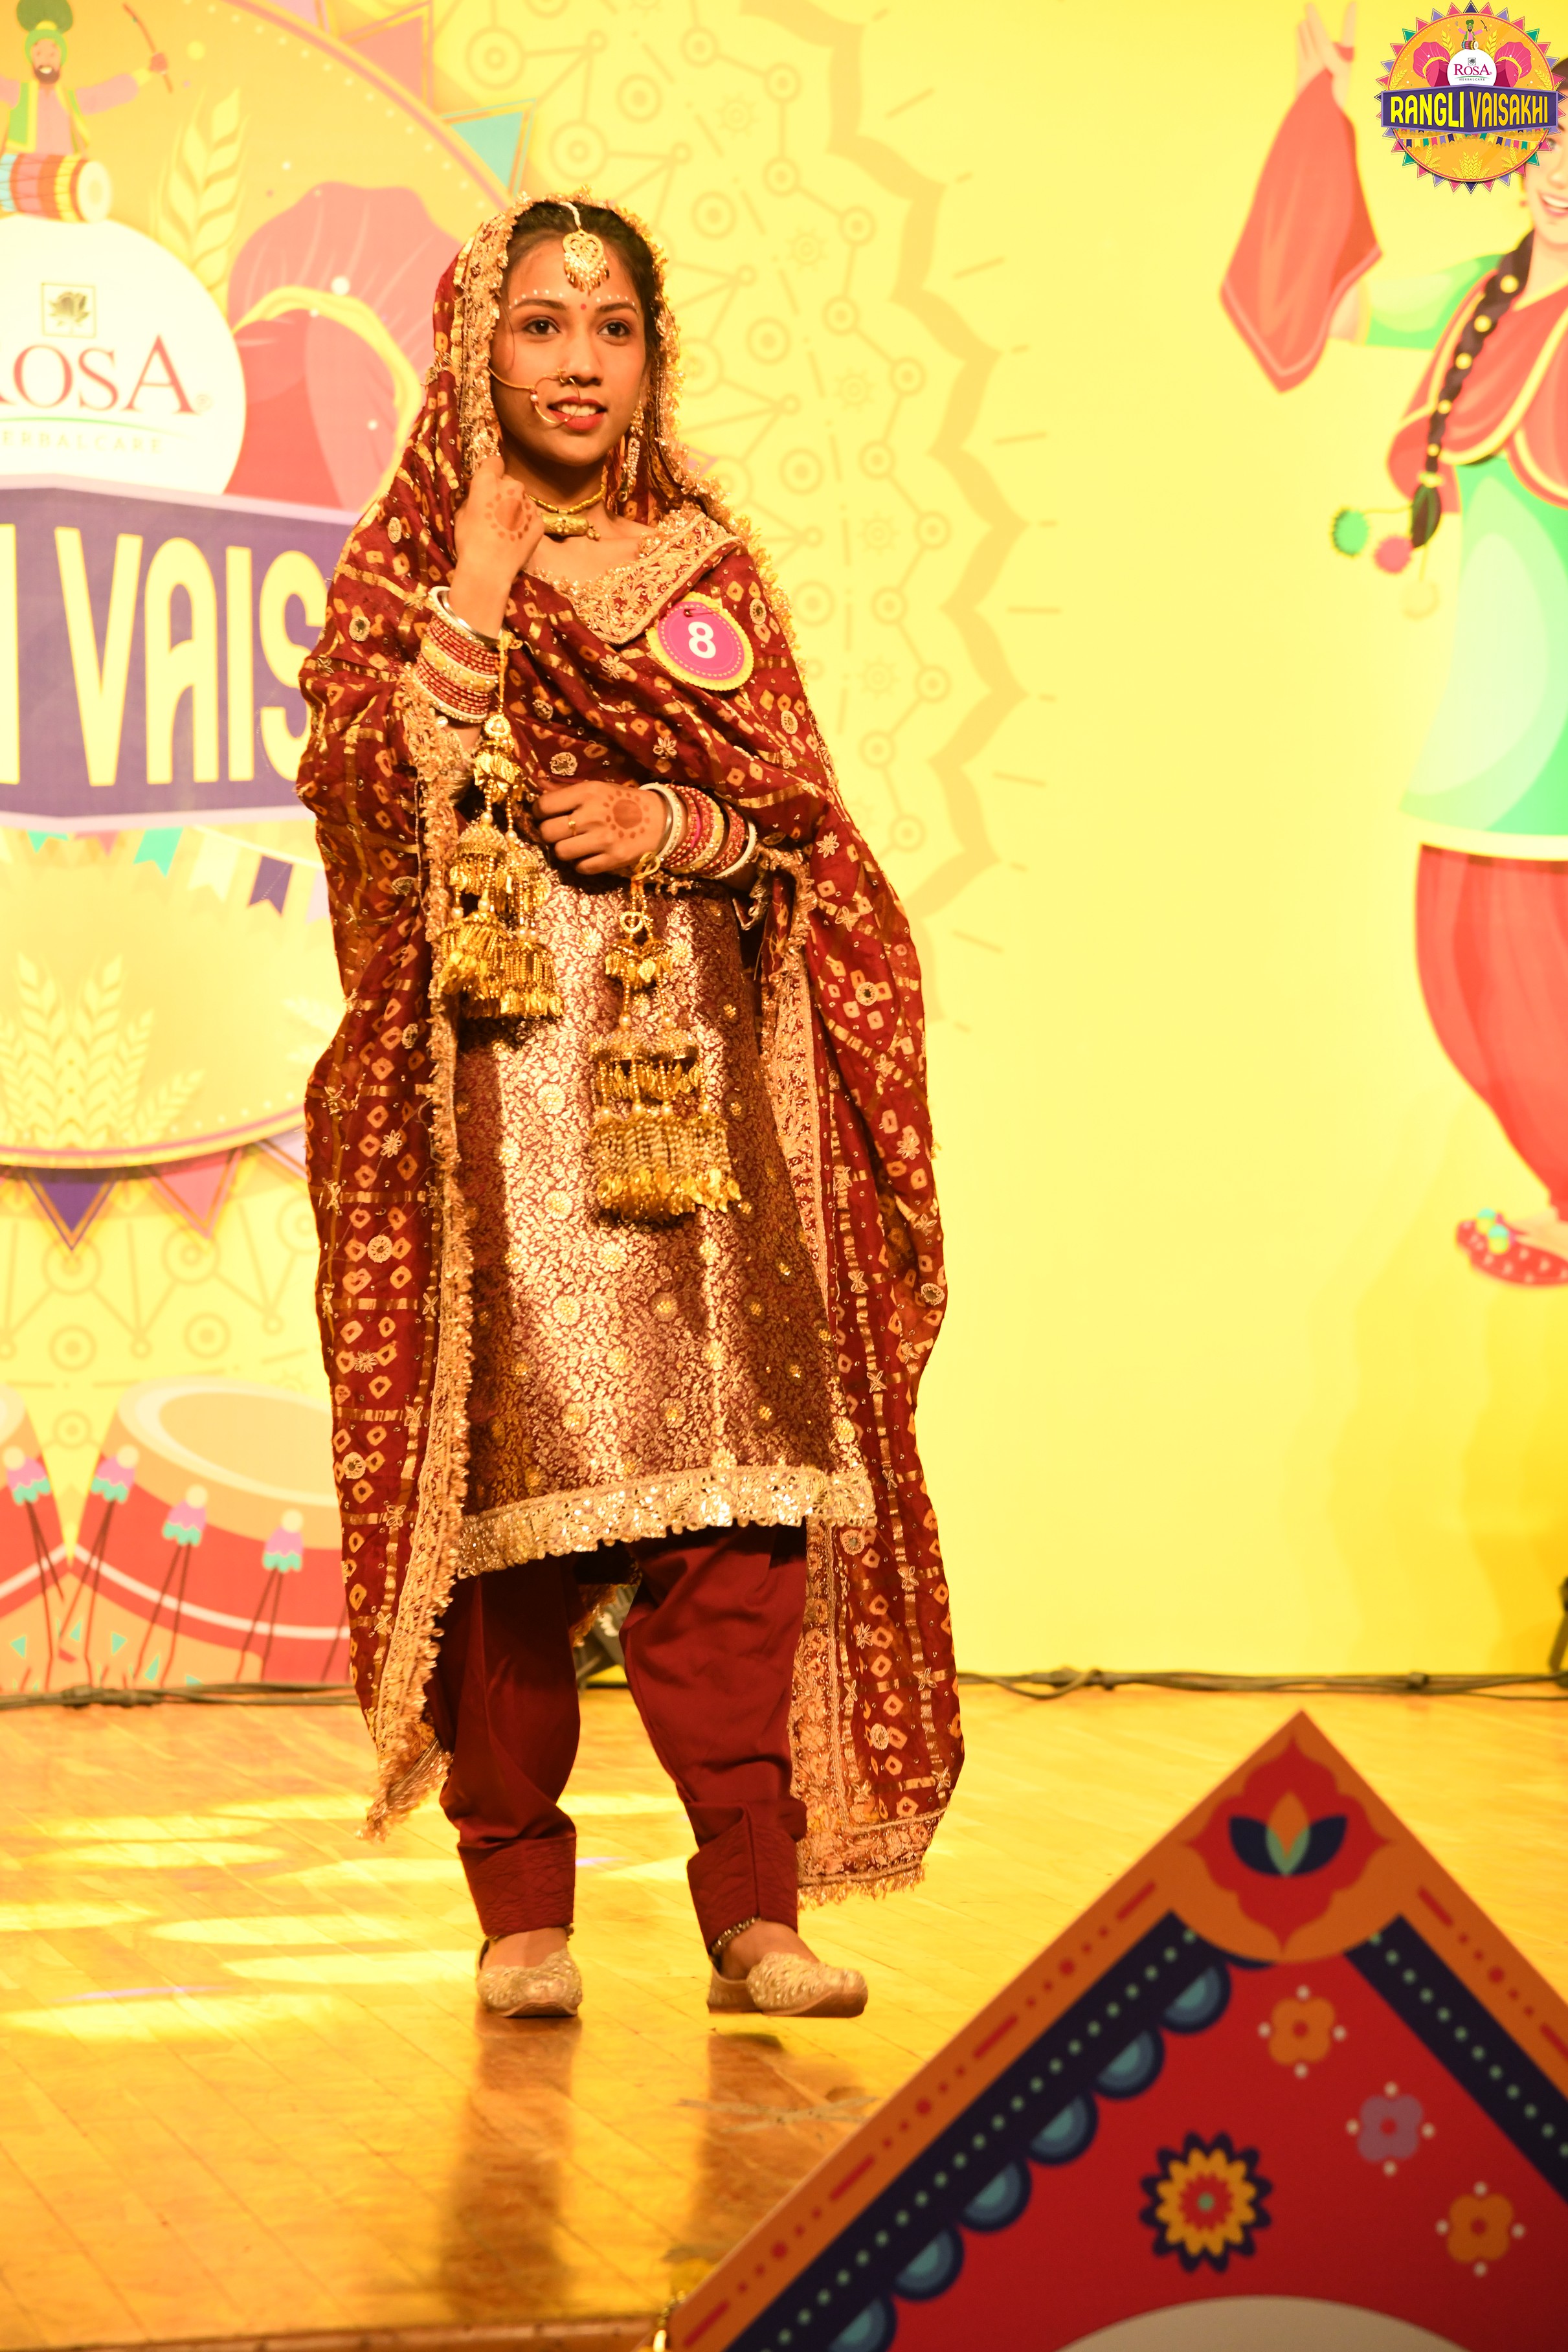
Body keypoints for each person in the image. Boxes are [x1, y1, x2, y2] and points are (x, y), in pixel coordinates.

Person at [296, 194, 961, 2022]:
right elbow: (361, 794)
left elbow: (802, 833)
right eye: (540, 325)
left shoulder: (705, 570)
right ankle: (521, 1913)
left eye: (613, 329)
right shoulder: (415, 558)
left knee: (740, 1518)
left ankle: (753, 1913)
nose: (579, 362)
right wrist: (478, 591)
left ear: (653, 357)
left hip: (700, 1107)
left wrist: (675, 821)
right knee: (515, 1524)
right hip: (493, 1117)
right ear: (475, 350)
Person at [1224, 9, 1568, 1286]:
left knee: (1520, 959)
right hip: (1490, 700)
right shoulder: (1479, 298)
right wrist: (1324, 121)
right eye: (1549, 139)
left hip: (1554, 711)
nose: (1559, 170)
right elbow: (1330, 304)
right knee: (1462, 969)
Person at [1, 0, 165, 157]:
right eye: (39, 53)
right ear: (32, 58)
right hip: (22, 169)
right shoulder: (17, 92)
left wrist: (148, 72)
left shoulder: (71, 100)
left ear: (61, 60)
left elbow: (107, 93)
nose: (46, 60)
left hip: (62, 169)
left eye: (52, 54)